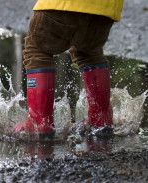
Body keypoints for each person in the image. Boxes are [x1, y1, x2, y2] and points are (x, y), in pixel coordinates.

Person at [15, 0, 124, 138]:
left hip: (63, 3)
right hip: (105, 8)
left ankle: (39, 125)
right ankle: (101, 121)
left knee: (37, 49)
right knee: (89, 53)